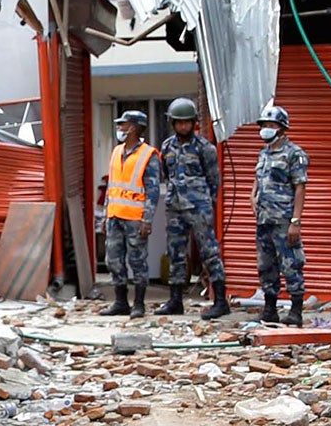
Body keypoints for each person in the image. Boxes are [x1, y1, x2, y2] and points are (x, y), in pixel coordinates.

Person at [155, 97, 230, 320]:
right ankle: (175, 300)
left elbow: (214, 180)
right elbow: (166, 174)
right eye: (179, 123)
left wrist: (207, 204)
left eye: (187, 122)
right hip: (175, 207)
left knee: (209, 252)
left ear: (193, 122)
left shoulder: (204, 148)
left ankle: (220, 301)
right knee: (175, 253)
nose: (183, 126)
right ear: (172, 123)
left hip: (199, 207)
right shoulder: (167, 146)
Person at [96, 110, 161, 318]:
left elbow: (153, 190)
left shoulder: (148, 155)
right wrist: (106, 215)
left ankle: (139, 304)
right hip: (115, 216)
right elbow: (111, 187)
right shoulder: (116, 152)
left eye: (123, 125)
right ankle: (120, 302)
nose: (120, 129)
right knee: (113, 260)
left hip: (135, 218)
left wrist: (147, 219)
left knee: (137, 261)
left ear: (133, 128)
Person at [248, 103, 307, 325]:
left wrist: (295, 221)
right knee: (266, 266)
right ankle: (270, 309)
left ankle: (295, 311)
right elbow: (258, 178)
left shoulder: (294, 154)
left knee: (290, 263)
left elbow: (300, 187)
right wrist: (252, 195)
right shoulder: (263, 153)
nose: (266, 129)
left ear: (282, 128)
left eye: (271, 125)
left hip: (283, 219)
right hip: (263, 219)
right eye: (264, 125)